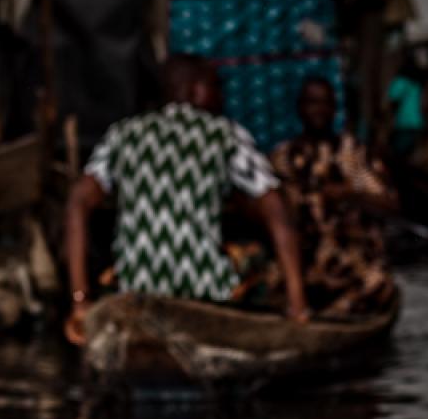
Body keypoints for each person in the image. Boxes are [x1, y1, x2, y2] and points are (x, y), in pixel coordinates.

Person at [64, 55, 308, 345]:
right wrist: (297, 302)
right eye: (215, 87)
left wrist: (80, 300)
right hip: (204, 289)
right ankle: (275, 315)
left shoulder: (123, 133)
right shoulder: (225, 134)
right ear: (195, 90)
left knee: (112, 270)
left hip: (135, 287)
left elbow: (77, 203)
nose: (221, 97)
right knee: (255, 257)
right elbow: (275, 208)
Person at [270, 76, 398, 318]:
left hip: (352, 264)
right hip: (303, 265)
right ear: (300, 107)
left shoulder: (353, 154)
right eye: (312, 102)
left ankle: (331, 316)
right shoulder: (283, 157)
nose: (319, 110)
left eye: (325, 103)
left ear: (334, 109)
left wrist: (350, 194)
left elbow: (390, 204)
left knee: (378, 284)